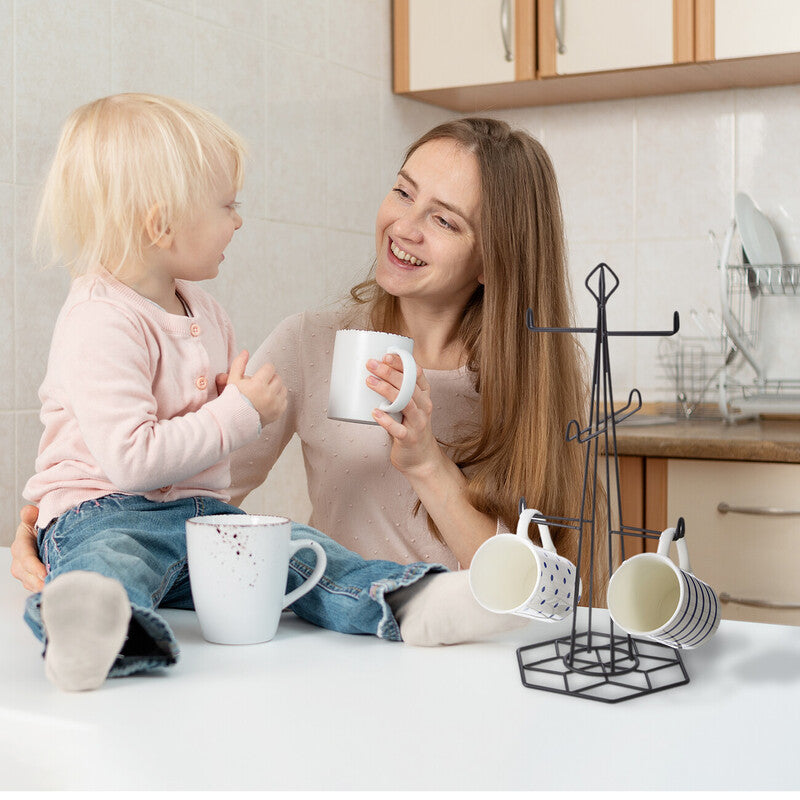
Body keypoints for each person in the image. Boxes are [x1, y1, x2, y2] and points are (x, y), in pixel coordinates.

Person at [17, 94, 523, 693]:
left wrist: (425, 462)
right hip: (116, 516)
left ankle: (411, 600)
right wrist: (54, 524)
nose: (238, 221)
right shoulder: (113, 319)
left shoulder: (202, 311)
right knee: (110, 565)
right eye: (404, 192)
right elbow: (140, 462)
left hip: (193, 518)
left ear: (494, 257)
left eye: (444, 219)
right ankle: (89, 633)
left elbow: (542, 582)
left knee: (302, 550)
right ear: (161, 225)